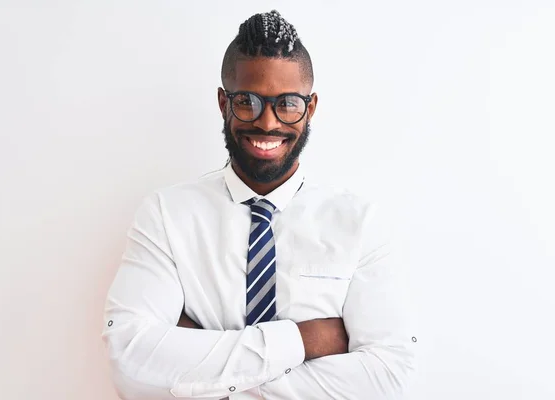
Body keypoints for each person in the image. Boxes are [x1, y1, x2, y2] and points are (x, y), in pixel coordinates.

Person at [102, 10, 417, 400]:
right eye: (248, 102)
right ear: (223, 102)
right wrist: (304, 340)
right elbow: (129, 361)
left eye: (287, 104)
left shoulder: (360, 224)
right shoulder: (167, 215)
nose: (267, 124)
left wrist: (199, 367)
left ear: (311, 107)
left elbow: (389, 377)